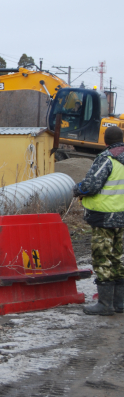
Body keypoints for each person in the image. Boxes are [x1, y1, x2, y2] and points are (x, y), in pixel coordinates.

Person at [73, 125, 124, 315]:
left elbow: (91, 185)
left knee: (102, 258)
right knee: (117, 258)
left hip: (104, 217)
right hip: (122, 218)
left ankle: (105, 305)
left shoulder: (107, 158)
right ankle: (120, 303)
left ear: (105, 140)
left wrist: (77, 190)